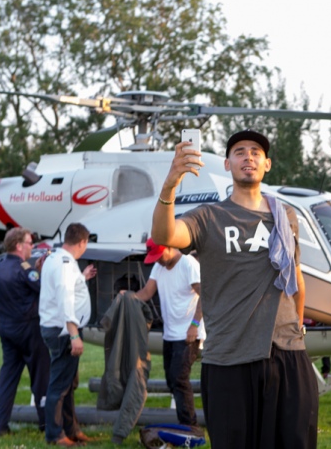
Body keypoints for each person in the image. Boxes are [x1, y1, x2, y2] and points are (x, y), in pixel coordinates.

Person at [151, 129, 319, 448]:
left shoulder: (285, 216)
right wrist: (171, 183)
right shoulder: (208, 217)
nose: (248, 157)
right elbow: (164, 234)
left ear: (267, 164)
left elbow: (296, 279)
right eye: (239, 152)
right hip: (229, 358)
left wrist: (296, 329)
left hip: (287, 354)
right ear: (227, 164)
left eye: (256, 152)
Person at [133, 239, 205, 429]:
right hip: (170, 334)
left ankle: (190, 427)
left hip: (189, 333)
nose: (158, 261)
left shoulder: (188, 264)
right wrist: (127, 297)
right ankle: (186, 423)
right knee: (171, 380)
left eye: (159, 256)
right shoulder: (159, 266)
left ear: (169, 247)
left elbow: (205, 294)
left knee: (179, 378)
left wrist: (194, 325)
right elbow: (147, 292)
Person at [39, 223, 97, 447]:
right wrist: (74, 335)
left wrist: (82, 277)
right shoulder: (64, 264)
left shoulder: (57, 258)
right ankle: (55, 434)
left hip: (59, 328)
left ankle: (71, 429)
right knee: (60, 386)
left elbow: (67, 286)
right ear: (82, 242)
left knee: (67, 384)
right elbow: (65, 297)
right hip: (63, 331)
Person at [0, 227, 50, 436]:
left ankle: (1, 426)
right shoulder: (24, 269)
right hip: (29, 331)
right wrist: (39, 271)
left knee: (8, 379)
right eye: (29, 243)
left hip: (7, 331)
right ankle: (46, 423)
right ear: (18, 246)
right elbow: (42, 287)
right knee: (41, 378)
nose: (32, 247)